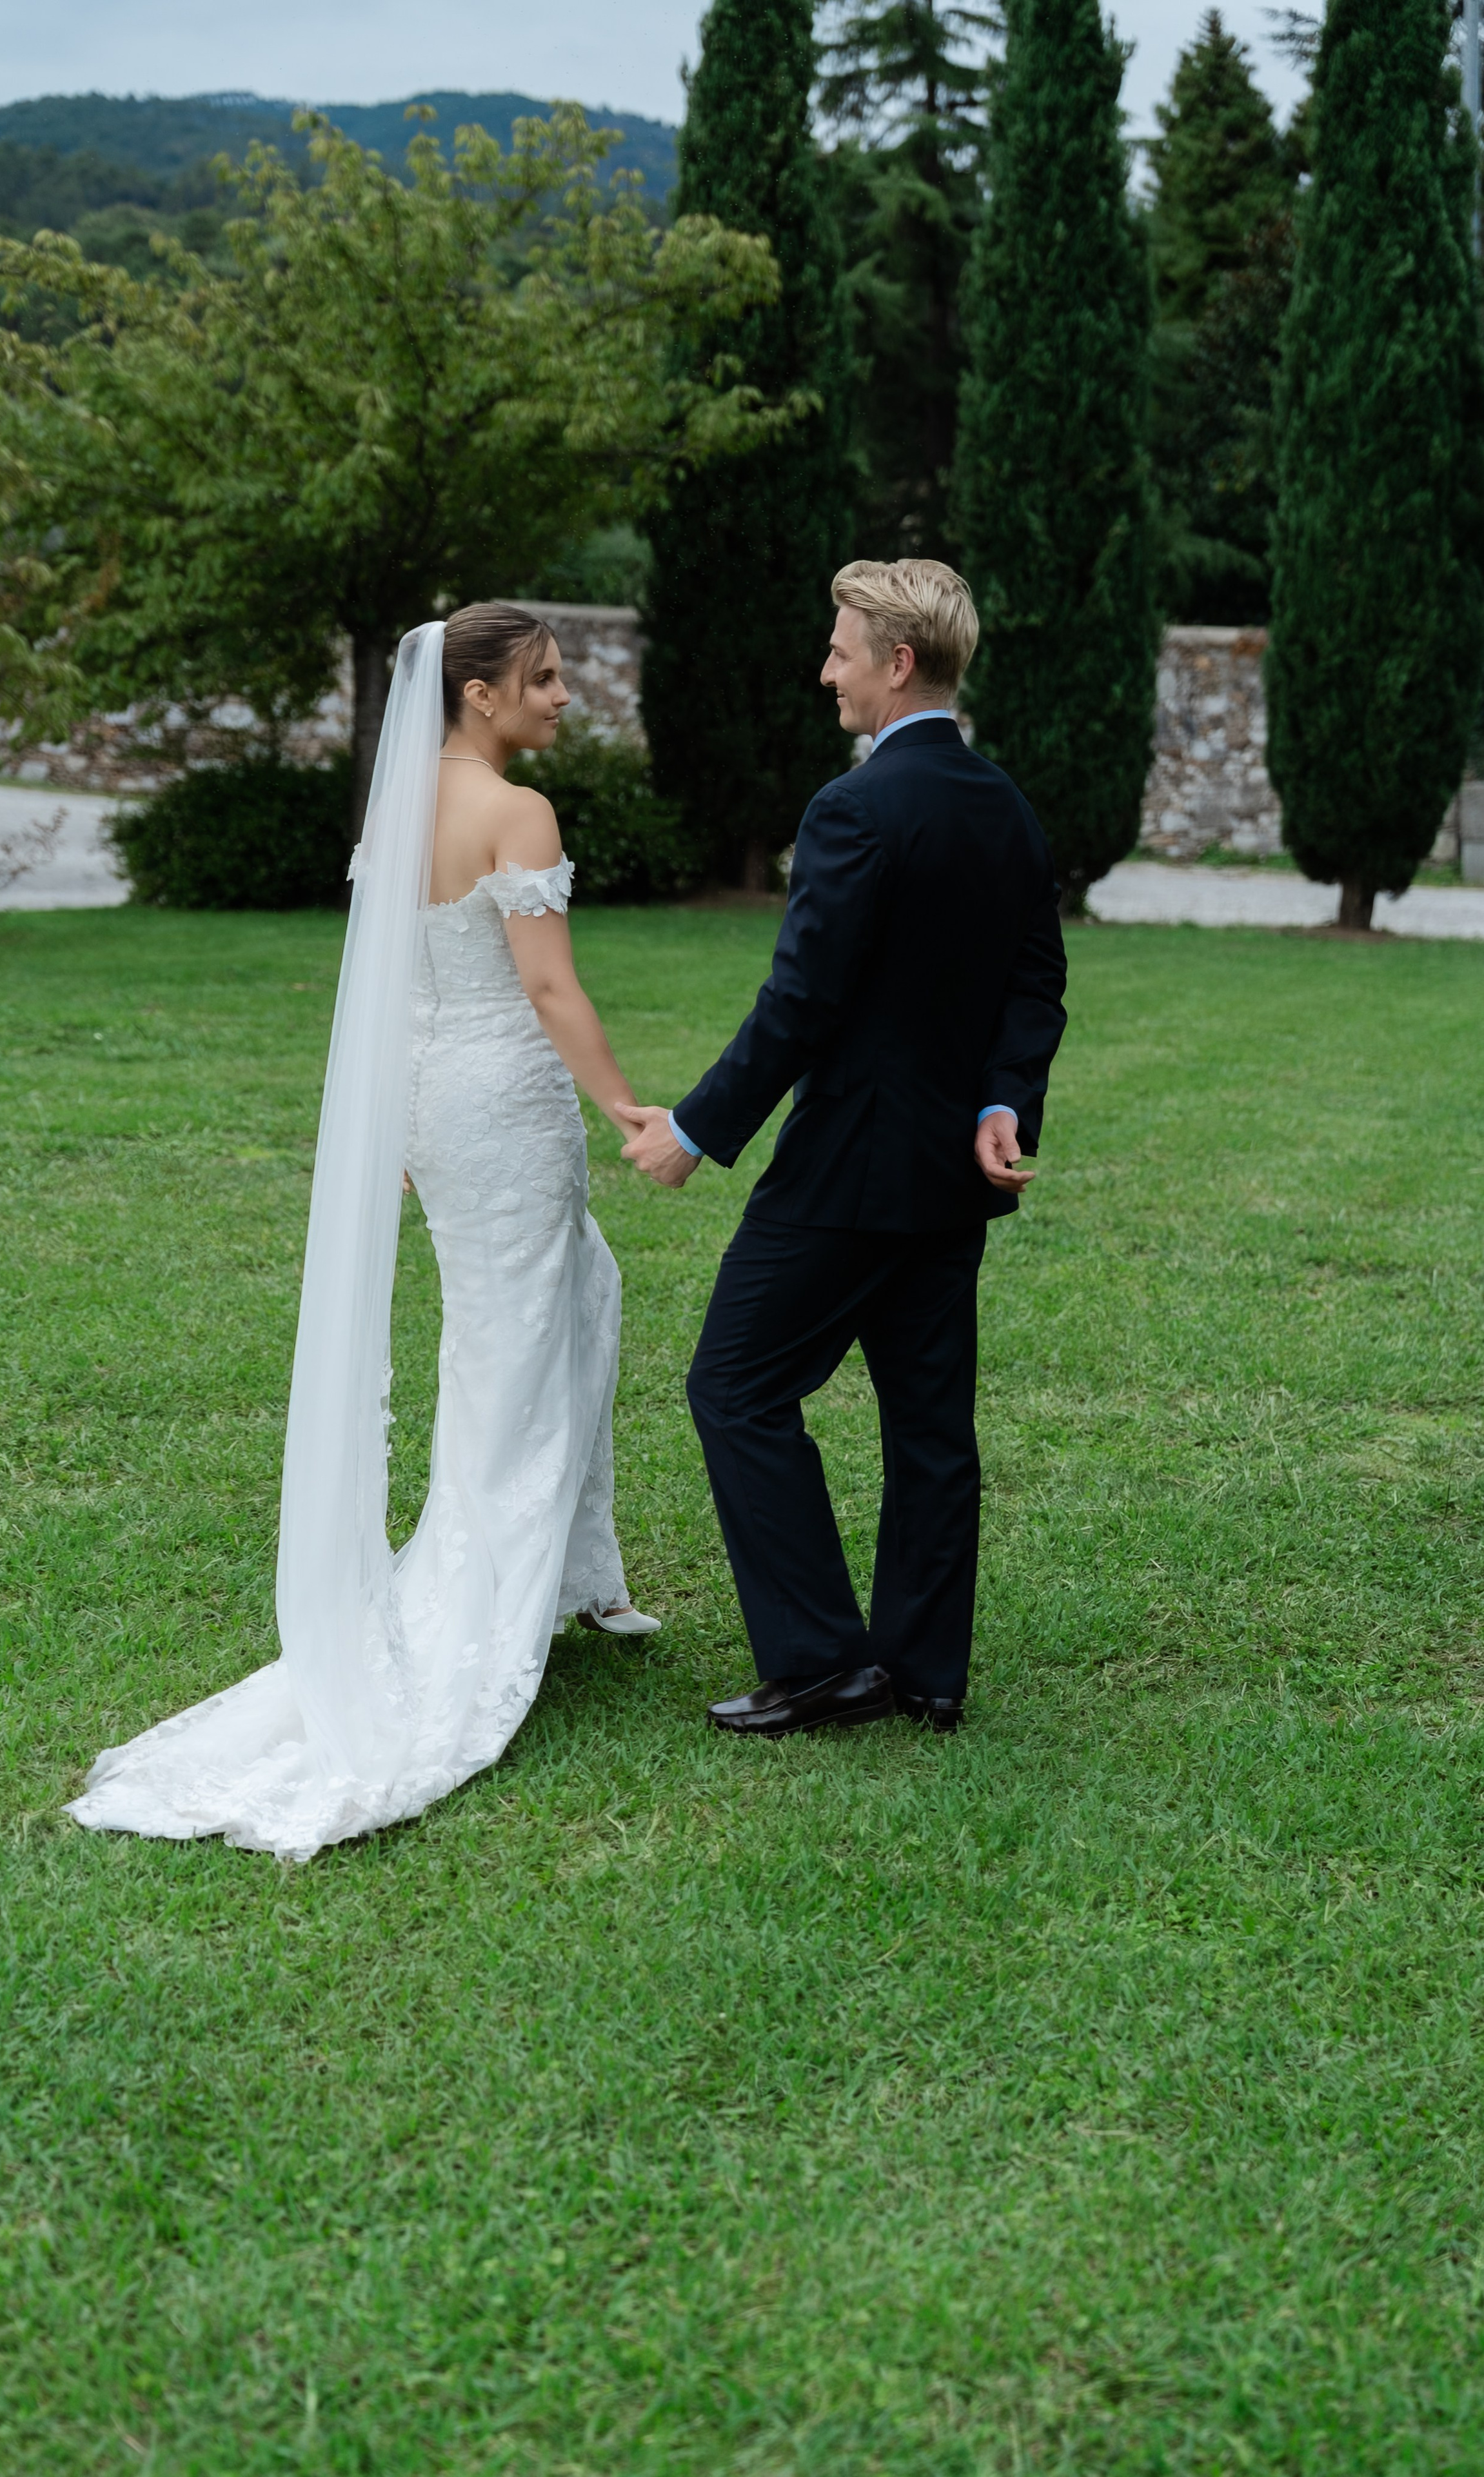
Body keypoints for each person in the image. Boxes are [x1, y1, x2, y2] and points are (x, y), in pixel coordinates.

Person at [68, 606, 656, 1860]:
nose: (561, 697)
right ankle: (487, 1597)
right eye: (541, 680)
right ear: (478, 697)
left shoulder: (398, 816)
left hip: (438, 1107)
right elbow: (547, 986)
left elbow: (390, 991)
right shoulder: (516, 814)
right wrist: (622, 1104)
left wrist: (389, 1126)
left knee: (570, 1298)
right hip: (505, 1101)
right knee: (509, 1348)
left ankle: (577, 1570)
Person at [618, 558, 1067, 1740]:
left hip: (849, 1173)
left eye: (839, 649)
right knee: (929, 1428)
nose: (826, 669)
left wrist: (696, 1131)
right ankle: (925, 1675)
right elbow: (1035, 988)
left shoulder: (853, 808)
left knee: (734, 1385)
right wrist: (1002, 1101)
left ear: (898, 662)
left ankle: (820, 1661)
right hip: (950, 1180)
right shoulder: (1006, 806)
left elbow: (801, 1004)